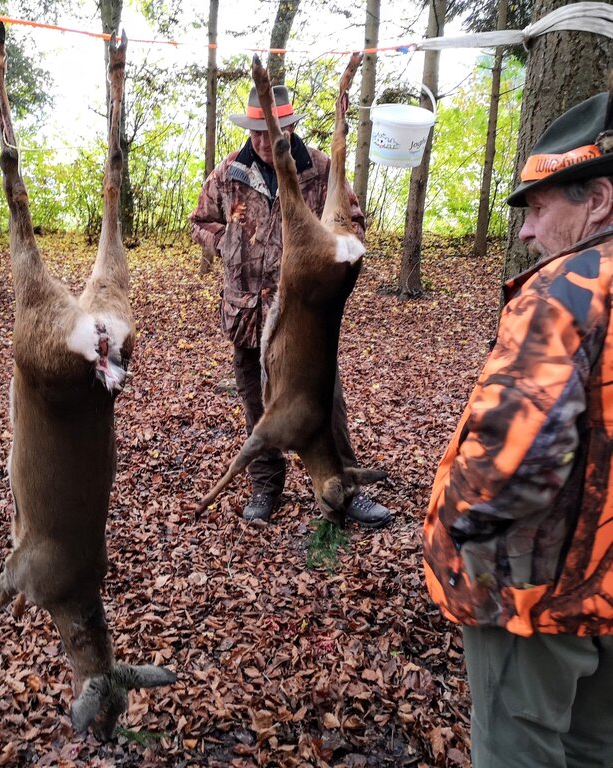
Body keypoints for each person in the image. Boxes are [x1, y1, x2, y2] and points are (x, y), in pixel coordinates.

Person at [423, 90, 613, 768]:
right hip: (605, 585)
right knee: (595, 747)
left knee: (519, 749)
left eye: (538, 207)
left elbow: (518, 457)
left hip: (537, 597)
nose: (528, 231)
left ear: (598, 199)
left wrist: (460, 535)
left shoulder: (567, 288)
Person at [190, 84, 391, 527]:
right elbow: (199, 221)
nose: (262, 140)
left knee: (326, 404)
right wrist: (225, 243)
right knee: (257, 407)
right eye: (256, 132)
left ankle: (344, 487)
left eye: (270, 131)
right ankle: (266, 487)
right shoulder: (229, 173)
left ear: (289, 126)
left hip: (304, 320)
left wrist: (343, 251)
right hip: (248, 315)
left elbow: (353, 219)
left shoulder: (319, 169)